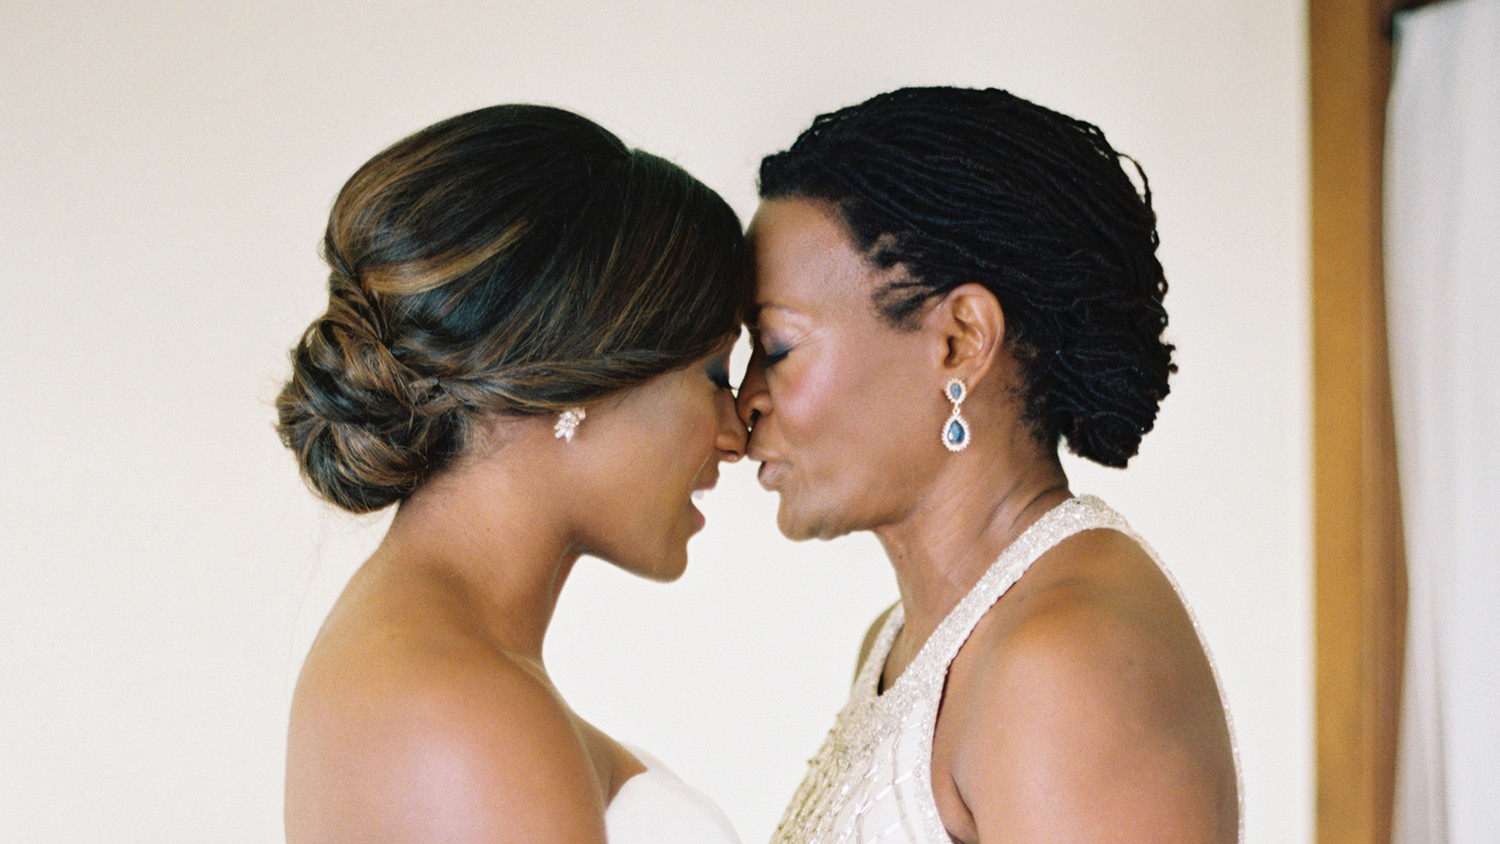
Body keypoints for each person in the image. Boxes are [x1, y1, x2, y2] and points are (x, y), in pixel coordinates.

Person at [737, 87, 1241, 843]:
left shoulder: (1063, 660)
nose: (744, 400)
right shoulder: (906, 642)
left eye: (776, 347)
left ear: (961, 339)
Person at [276, 104, 747, 843]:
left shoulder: (429, 657)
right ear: (582, 378)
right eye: (716, 374)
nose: (735, 434)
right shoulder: (460, 703)